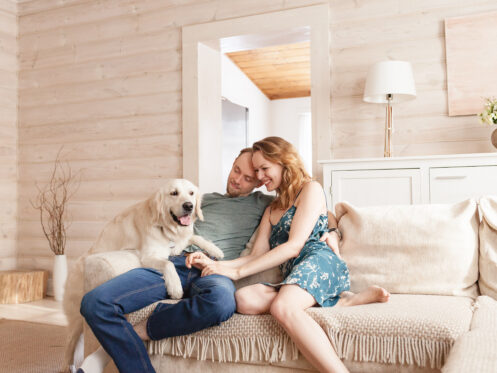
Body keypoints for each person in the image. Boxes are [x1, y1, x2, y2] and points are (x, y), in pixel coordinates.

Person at [188, 137, 390, 373]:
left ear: (284, 162)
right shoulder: (271, 208)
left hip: (319, 262)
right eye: (257, 170)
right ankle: (343, 301)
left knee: (282, 308)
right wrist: (217, 264)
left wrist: (236, 272)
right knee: (244, 299)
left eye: (265, 168)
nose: (261, 177)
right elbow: (257, 255)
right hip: (294, 274)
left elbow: (295, 246)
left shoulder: (310, 188)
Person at [77, 148, 272, 373]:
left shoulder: (263, 203)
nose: (237, 179)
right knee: (95, 303)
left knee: (221, 303)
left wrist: (325, 234)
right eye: (236, 170)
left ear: (259, 181)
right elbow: (157, 216)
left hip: (215, 270)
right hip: (175, 260)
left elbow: (301, 198)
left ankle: (136, 332)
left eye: (247, 178)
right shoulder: (198, 197)